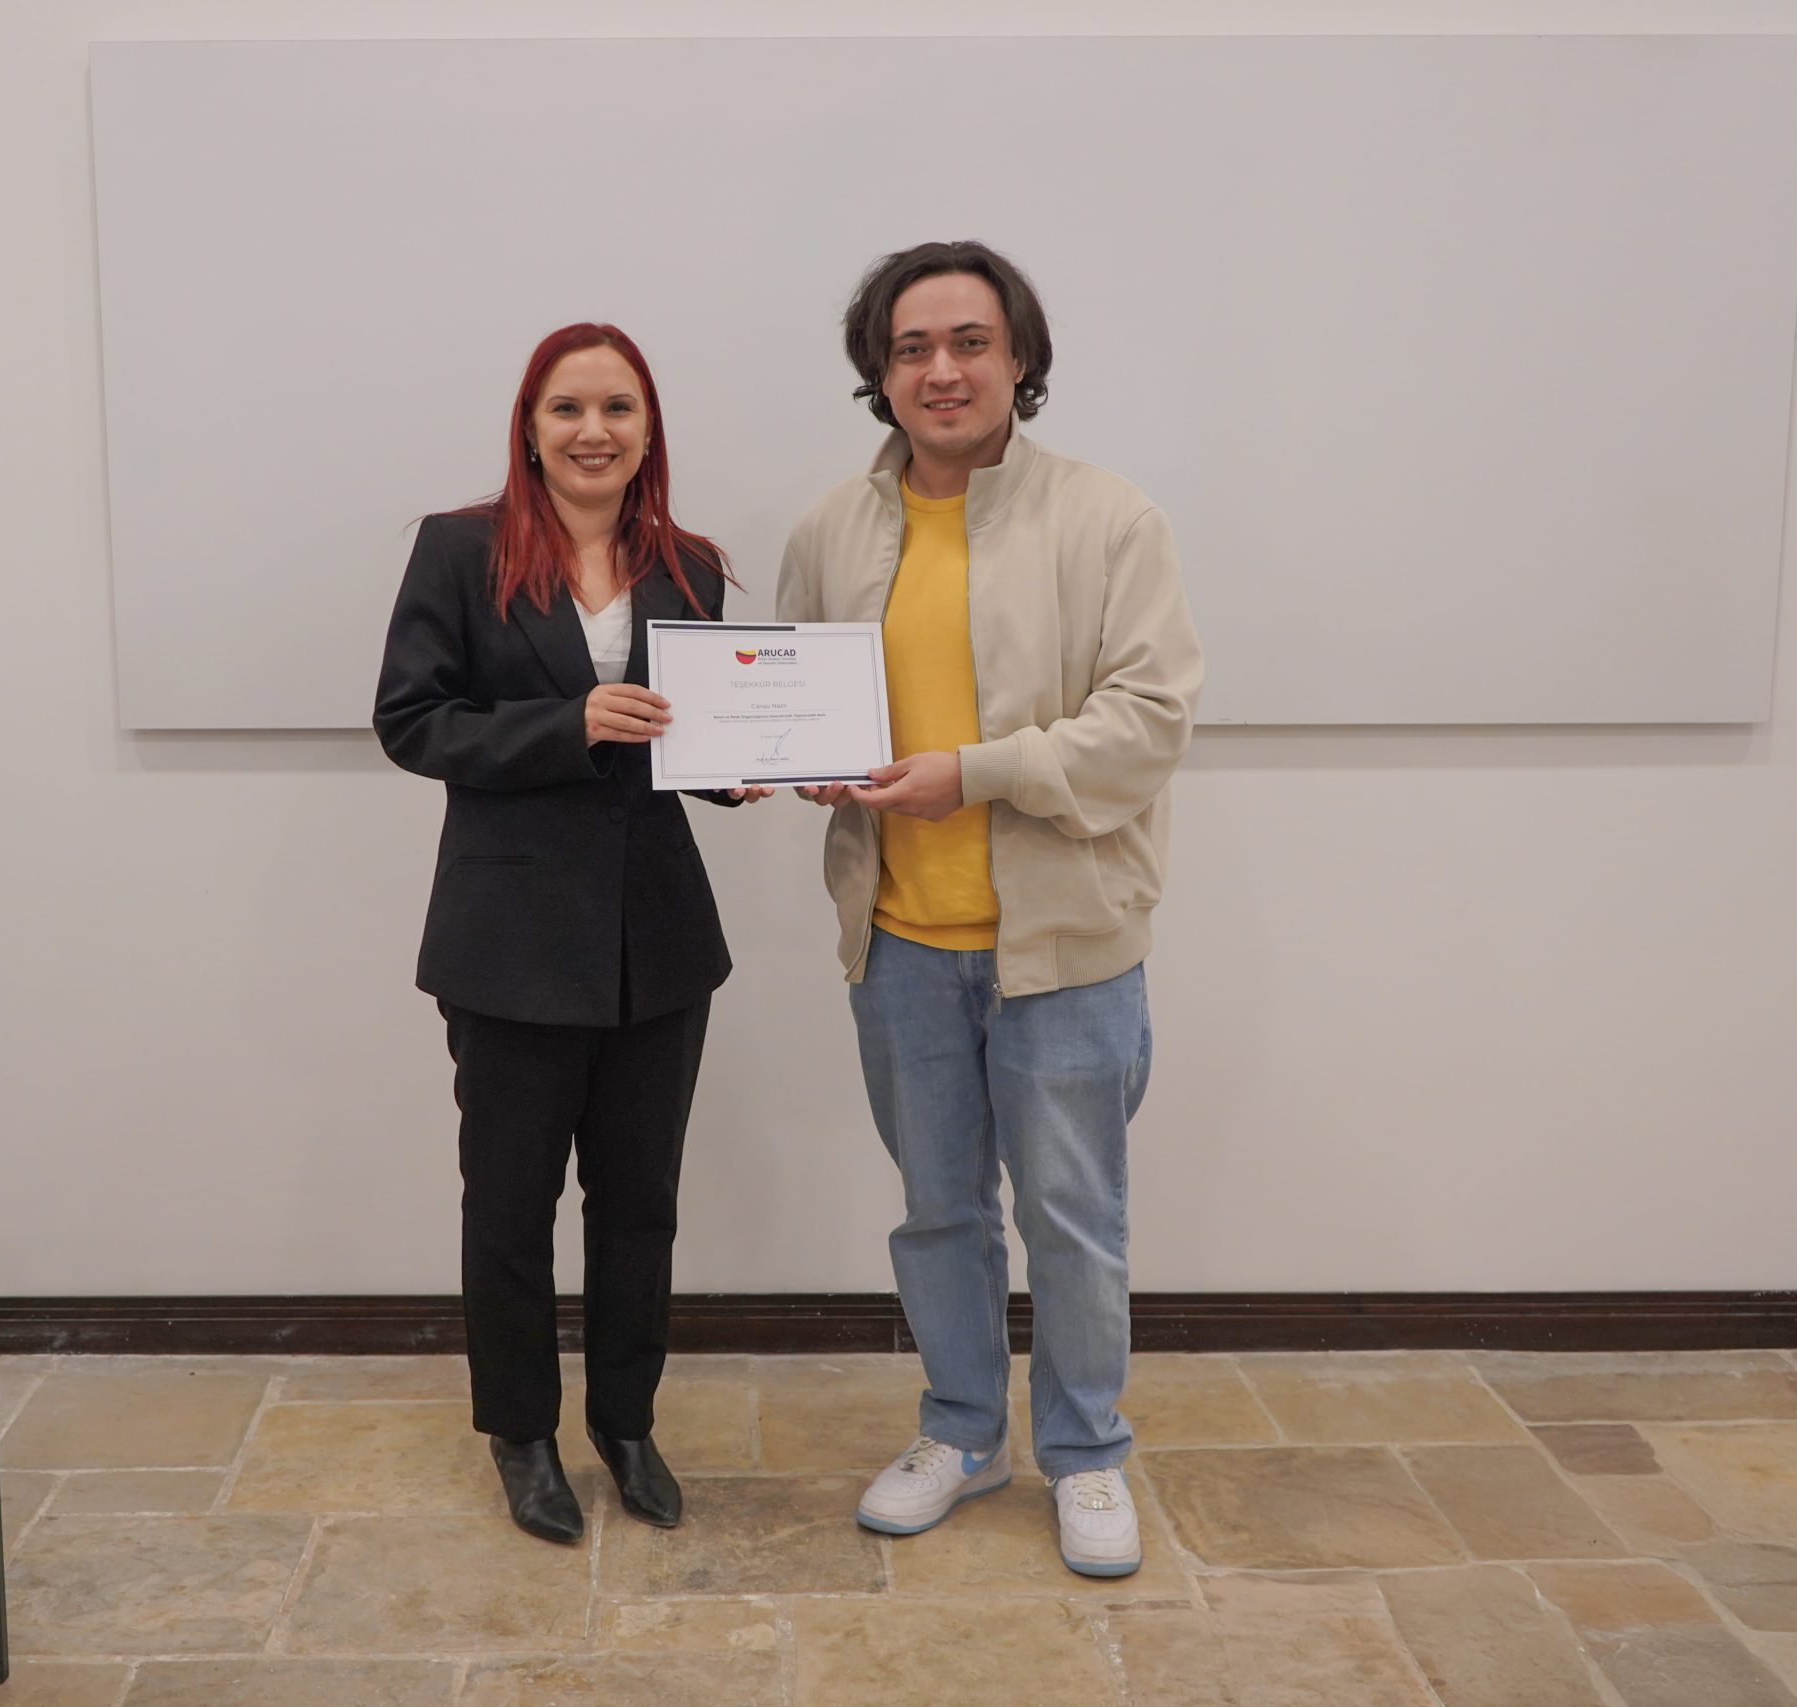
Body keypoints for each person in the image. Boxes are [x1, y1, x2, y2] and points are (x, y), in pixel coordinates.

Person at [775, 243, 1202, 1577]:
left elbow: (1148, 723)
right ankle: (962, 1431)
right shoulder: (829, 531)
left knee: (1073, 1220)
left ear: (1021, 358)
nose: (941, 370)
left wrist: (973, 771)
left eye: (970, 341)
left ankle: (1086, 1452)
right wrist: (793, 763)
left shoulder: (1109, 519)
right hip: (899, 941)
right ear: (879, 371)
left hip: (1066, 949)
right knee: (939, 1212)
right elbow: (800, 701)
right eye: (911, 347)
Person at [375, 322, 767, 1544]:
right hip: (507, 940)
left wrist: (740, 769)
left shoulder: (688, 564)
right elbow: (412, 723)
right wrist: (570, 722)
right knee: (508, 1204)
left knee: (640, 1202)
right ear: (530, 428)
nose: (593, 431)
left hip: (658, 940)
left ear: (648, 429)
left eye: (617, 408)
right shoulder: (460, 550)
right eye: (567, 408)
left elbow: (685, 737)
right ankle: (523, 1433)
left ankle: (627, 1423)